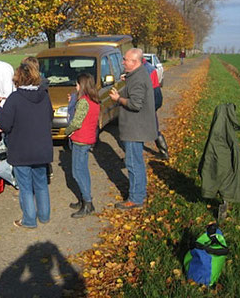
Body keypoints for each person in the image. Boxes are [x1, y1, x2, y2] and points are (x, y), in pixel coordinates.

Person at [0, 62, 53, 229]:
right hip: (41, 149)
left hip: (21, 150)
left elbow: (4, 124)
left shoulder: (15, 99)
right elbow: (49, 117)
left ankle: (29, 220)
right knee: (41, 183)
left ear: (18, 78)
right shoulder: (44, 96)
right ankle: (44, 216)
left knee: (26, 187)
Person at [109, 48, 158, 210]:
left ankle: (136, 198)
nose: (123, 62)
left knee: (133, 163)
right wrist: (127, 78)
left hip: (135, 128)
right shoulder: (138, 74)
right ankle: (140, 193)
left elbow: (135, 104)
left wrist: (118, 99)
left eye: (125, 59)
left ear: (135, 62)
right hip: (136, 127)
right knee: (136, 161)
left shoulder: (138, 79)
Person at [64, 73, 100, 218]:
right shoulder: (94, 100)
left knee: (77, 172)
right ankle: (84, 199)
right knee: (83, 171)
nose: (76, 86)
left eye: (77, 84)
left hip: (81, 140)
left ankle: (88, 203)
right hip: (88, 138)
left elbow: (76, 122)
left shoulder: (84, 102)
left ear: (82, 85)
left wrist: (67, 132)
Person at [143, 58, 169, 159]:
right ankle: (164, 152)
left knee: (140, 127)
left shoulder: (144, 69)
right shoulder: (149, 66)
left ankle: (164, 152)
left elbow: (143, 87)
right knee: (152, 125)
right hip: (156, 95)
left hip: (151, 97)